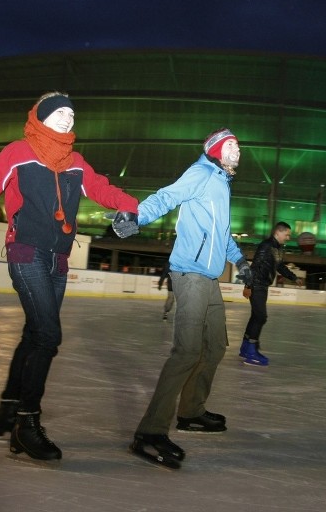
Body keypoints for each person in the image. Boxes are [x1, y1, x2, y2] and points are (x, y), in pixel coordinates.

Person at [0, 91, 138, 461]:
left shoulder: (76, 162)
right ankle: (26, 423)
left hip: (59, 259)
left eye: (72, 113)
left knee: (35, 333)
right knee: (49, 334)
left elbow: (103, 189)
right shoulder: (17, 154)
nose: (68, 118)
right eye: (60, 112)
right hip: (26, 252)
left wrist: (129, 208)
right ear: (41, 117)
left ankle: (8, 404)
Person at [116, 127, 251, 470]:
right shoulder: (202, 172)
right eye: (232, 145)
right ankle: (150, 432)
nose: (238, 150)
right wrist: (137, 216)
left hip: (209, 278)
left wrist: (240, 261)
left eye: (239, 145)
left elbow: (221, 233)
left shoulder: (221, 182)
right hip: (189, 273)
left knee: (217, 344)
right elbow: (166, 196)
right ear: (217, 149)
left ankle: (191, 411)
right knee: (187, 351)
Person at [239, 221, 304, 366]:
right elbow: (255, 266)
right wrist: (248, 285)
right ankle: (251, 351)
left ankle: (245, 347)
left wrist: (294, 278)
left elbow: (280, 266)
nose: (288, 237)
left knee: (256, 316)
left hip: (263, 286)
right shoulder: (266, 246)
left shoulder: (278, 249)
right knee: (261, 317)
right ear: (278, 232)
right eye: (287, 234)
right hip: (257, 285)